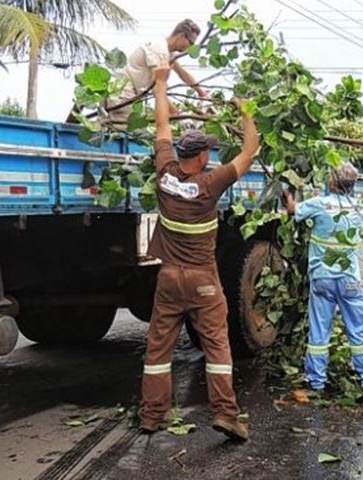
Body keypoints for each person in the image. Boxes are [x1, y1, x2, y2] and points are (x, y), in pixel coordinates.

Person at [139, 62, 259, 441]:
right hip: (204, 282)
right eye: (209, 151)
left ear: (181, 152)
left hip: (169, 280)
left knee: (158, 351)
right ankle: (225, 413)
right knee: (217, 347)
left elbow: (161, 127)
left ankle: (152, 415)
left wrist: (160, 84)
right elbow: (249, 151)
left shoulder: (165, 174)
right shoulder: (211, 183)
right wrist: (246, 112)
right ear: (204, 156)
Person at [284, 164, 363, 394]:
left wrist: (287, 193)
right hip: (349, 280)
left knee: (319, 330)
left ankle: (316, 382)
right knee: (359, 331)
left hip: (323, 279)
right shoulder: (359, 209)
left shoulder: (319, 204)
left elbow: (292, 209)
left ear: (331, 182)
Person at [105, 19, 207, 125]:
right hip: (121, 93)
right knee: (123, 130)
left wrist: (201, 92)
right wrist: (174, 112)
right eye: (191, 43)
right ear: (181, 36)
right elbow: (157, 86)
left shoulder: (167, 52)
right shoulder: (158, 49)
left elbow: (182, 73)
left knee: (120, 129)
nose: (190, 48)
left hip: (129, 94)